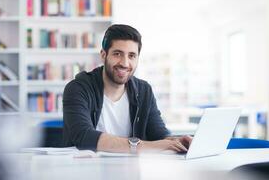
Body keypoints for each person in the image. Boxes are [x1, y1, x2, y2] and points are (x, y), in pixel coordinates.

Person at [63, 24, 192, 153]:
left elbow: (159, 135)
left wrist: (177, 142)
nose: (125, 63)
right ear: (103, 55)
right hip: (85, 169)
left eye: (131, 56)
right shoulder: (78, 88)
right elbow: (84, 137)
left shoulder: (143, 91)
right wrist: (142, 146)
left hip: (130, 169)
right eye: (117, 54)